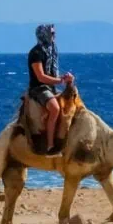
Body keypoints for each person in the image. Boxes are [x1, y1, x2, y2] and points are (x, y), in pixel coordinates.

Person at [27, 23, 74, 154]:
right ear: (44, 35)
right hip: (39, 88)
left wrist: (65, 78)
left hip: (51, 86)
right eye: (52, 33)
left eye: (54, 33)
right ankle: (50, 145)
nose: (54, 36)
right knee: (55, 108)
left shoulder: (52, 50)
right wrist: (60, 80)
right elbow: (41, 77)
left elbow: (52, 73)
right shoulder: (36, 53)